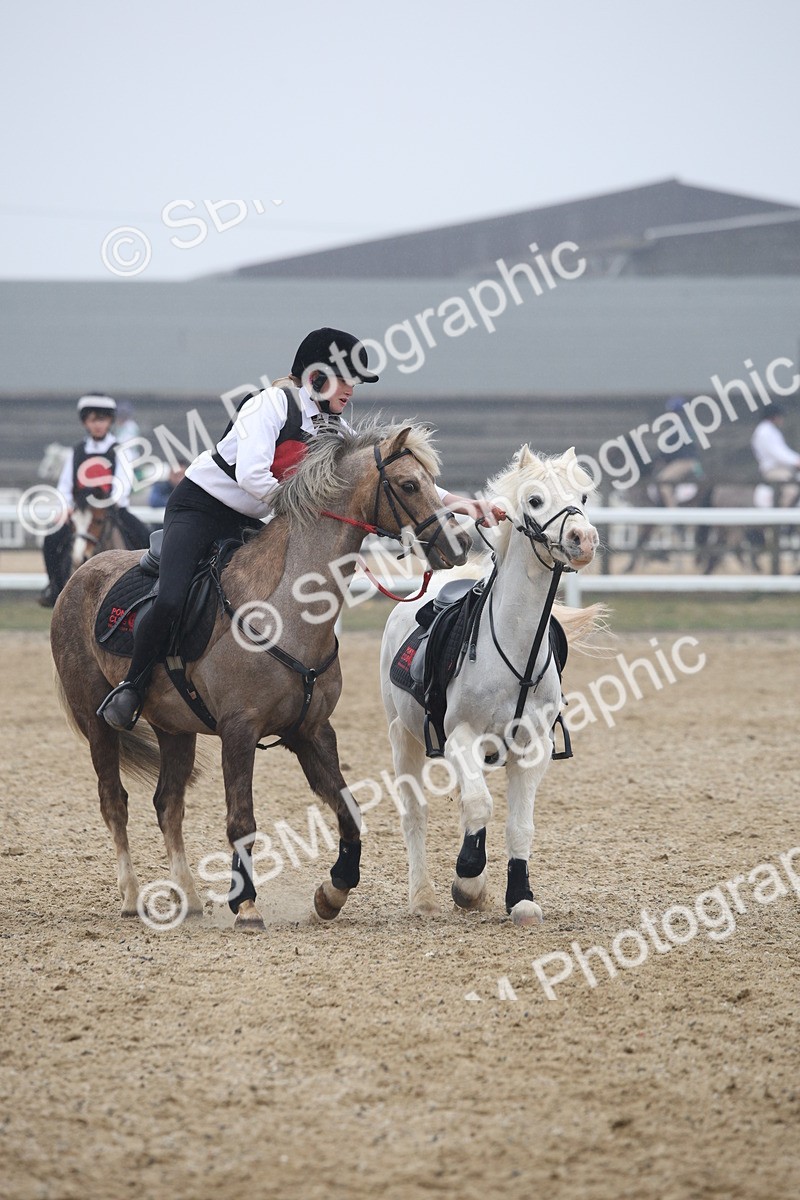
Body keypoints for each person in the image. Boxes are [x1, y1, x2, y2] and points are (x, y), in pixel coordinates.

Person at [98, 327, 504, 730]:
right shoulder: (270, 405)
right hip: (199, 509)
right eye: (345, 379)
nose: (351, 390)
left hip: (251, 520)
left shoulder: (334, 428)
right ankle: (132, 687)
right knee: (171, 598)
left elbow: (396, 477)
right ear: (316, 376)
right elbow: (252, 476)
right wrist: (312, 510)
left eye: (355, 383)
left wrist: (463, 505)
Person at [39, 394, 151, 607]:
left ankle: (148, 586)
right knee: (51, 540)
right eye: (93, 419)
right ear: (85, 422)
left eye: (102, 419)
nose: (98, 424)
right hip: (81, 511)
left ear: (110, 421)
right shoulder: (77, 451)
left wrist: (109, 501)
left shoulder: (119, 450)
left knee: (143, 535)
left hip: (112, 509)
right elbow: (65, 485)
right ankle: (54, 587)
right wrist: (64, 508)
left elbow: (123, 482)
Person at [751, 404, 800, 508]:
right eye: (780, 416)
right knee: (791, 490)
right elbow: (778, 453)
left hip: (781, 468)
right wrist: (796, 461)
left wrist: (797, 459)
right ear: (774, 416)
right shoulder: (764, 432)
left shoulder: (771, 431)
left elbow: (784, 450)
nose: (782, 419)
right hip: (774, 470)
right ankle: (782, 519)